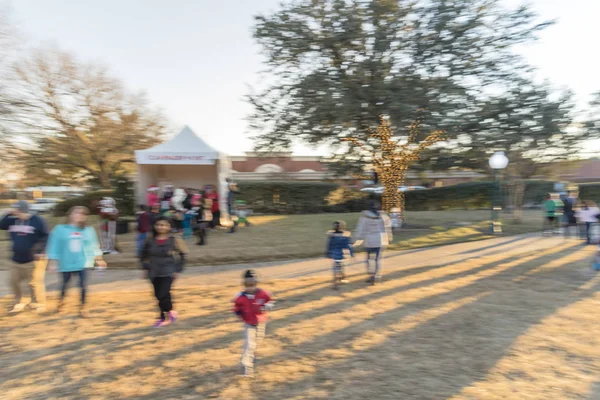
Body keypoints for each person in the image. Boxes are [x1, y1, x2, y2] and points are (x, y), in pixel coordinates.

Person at [46, 206, 107, 317]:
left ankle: (83, 307)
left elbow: (94, 245)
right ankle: (61, 302)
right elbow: (54, 245)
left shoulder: (88, 230)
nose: (80, 215)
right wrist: (52, 262)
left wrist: (99, 259)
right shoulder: (60, 229)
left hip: (84, 262)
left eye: (83, 214)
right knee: (65, 284)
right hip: (66, 262)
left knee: (83, 285)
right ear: (70, 215)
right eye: (77, 213)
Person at [0, 200, 49, 313]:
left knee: (34, 283)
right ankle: (20, 301)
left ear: (23, 210)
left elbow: (46, 236)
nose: (15, 213)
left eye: (17, 210)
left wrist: (41, 250)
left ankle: (38, 303)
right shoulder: (12, 221)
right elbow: (1, 224)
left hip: (34, 259)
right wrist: (8, 213)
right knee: (13, 281)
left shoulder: (37, 221)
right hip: (16, 258)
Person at [140, 217, 188, 327]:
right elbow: (143, 256)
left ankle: (163, 317)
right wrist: (144, 268)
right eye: (158, 225)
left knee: (163, 293)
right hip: (153, 271)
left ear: (169, 227)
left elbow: (183, 255)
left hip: (168, 271)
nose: (161, 227)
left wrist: (178, 269)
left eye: (164, 225)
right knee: (158, 295)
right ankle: (169, 312)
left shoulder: (174, 239)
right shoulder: (150, 240)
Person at [233, 270, 275, 378]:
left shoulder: (262, 293)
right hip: (249, 323)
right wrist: (238, 314)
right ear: (244, 284)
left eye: (252, 283)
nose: (250, 287)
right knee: (249, 344)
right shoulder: (240, 297)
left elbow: (270, 300)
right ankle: (246, 367)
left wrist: (267, 306)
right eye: (248, 284)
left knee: (258, 340)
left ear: (256, 283)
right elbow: (236, 307)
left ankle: (252, 356)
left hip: (261, 322)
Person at [354, 200, 392, 284]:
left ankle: (371, 275)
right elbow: (387, 229)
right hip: (380, 240)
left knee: (369, 259)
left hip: (369, 241)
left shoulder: (364, 217)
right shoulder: (384, 216)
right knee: (378, 259)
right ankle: (377, 275)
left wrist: (356, 240)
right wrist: (389, 238)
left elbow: (361, 229)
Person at [326, 221, 354, 289]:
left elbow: (329, 245)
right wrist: (351, 253)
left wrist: (328, 253)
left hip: (334, 253)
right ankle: (340, 279)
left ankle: (337, 280)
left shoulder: (332, 236)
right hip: (342, 253)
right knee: (341, 265)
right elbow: (348, 245)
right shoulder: (345, 236)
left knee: (336, 266)